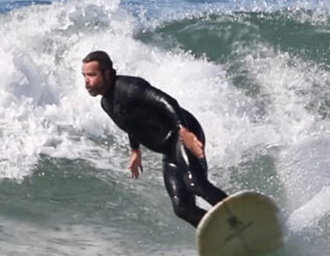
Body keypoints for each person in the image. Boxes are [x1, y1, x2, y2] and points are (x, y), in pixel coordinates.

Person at [81, 50, 228, 227]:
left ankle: (239, 216)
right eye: (84, 76)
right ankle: (222, 230)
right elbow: (130, 123)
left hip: (182, 134)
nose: (86, 81)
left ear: (107, 73)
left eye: (91, 75)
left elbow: (167, 101)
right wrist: (135, 150)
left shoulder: (130, 88)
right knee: (182, 208)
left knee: (195, 183)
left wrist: (183, 130)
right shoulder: (106, 103)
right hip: (169, 150)